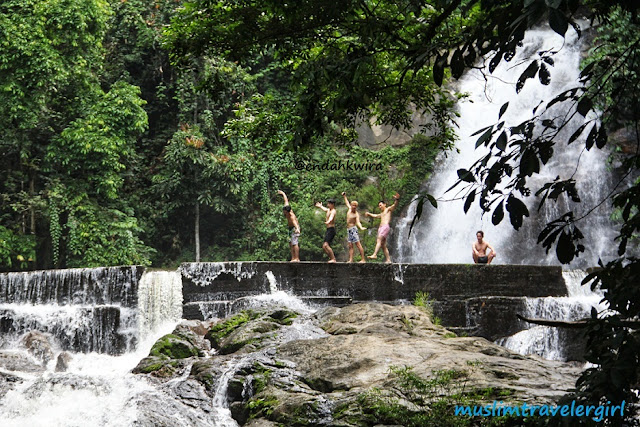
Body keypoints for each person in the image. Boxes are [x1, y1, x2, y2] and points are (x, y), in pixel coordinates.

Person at [365, 192, 400, 263]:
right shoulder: (381, 214)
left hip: (385, 227)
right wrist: (369, 214)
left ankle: (374, 254)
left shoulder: (388, 210)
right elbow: (375, 216)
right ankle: (388, 260)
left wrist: (397, 200)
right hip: (381, 228)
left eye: (380, 205)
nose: (380, 207)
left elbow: (394, 205)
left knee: (379, 239)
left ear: (384, 204)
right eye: (379, 206)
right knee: (383, 245)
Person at [342, 192, 367, 263]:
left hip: (353, 229)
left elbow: (358, 222)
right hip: (349, 229)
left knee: (358, 244)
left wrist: (361, 227)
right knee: (350, 245)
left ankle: (363, 259)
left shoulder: (356, 214)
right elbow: (347, 202)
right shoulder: (349, 209)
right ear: (351, 205)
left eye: (355, 206)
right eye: (353, 205)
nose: (354, 207)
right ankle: (351, 259)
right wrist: (344, 196)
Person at [277, 190, 300, 262]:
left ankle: (297, 258)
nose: (283, 212)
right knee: (290, 243)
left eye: (284, 212)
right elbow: (286, 200)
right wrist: (283, 193)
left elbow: (295, 223)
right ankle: (293, 258)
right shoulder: (287, 208)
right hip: (290, 228)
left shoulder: (291, 216)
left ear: (287, 212)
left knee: (294, 243)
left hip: (295, 228)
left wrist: (297, 229)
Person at [315, 199, 337, 263]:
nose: (327, 205)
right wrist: (320, 206)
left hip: (331, 230)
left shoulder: (333, 211)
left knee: (326, 245)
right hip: (328, 230)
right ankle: (331, 258)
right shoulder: (328, 210)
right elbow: (325, 209)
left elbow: (331, 217)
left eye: (329, 204)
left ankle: (333, 259)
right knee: (324, 247)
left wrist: (328, 221)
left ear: (332, 204)